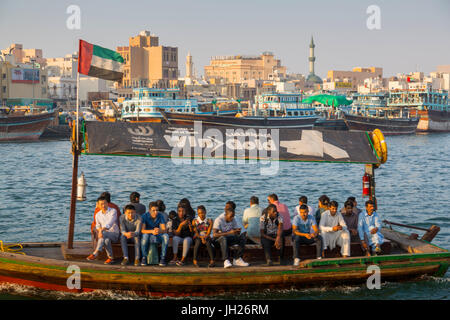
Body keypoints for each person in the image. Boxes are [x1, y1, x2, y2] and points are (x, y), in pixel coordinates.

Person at [87, 196, 120, 265]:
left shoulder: (113, 211)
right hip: (104, 234)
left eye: (105, 203)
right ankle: (111, 258)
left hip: (114, 234)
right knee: (106, 240)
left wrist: (101, 231)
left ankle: (96, 252)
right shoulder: (98, 214)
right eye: (101, 204)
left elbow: (110, 223)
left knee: (104, 234)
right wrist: (100, 231)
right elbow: (98, 226)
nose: (103, 205)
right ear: (98, 205)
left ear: (107, 203)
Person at [140, 201, 170, 266]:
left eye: (157, 210)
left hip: (157, 235)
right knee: (145, 236)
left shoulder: (160, 215)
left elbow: (164, 229)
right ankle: (144, 257)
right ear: (149, 210)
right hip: (148, 235)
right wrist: (152, 231)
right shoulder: (144, 216)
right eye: (153, 210)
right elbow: (142, 230)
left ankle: (162, 258)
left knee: (166, 236)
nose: (155, 212)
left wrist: (159, 230)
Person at [267, 194, 291, 263]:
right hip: (289, 230)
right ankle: (281, 258)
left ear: (271, 200)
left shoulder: (271, 208)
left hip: (281, 231)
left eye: (268, 200)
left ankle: (277, 257)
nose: (268, 202)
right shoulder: (284, 205)